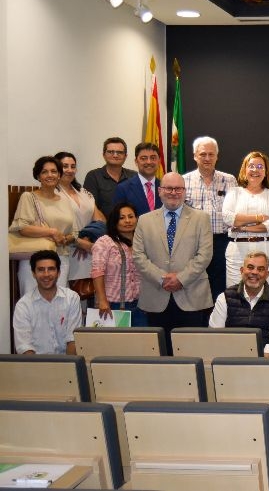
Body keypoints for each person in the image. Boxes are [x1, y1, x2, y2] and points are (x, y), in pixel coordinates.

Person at [133, 172, 214, 350]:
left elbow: (205, 255)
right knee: (159, 353)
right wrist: (162, 278)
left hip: (192, 296)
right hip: (156, 296)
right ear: (160, 191)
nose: (173, 192)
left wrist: (181, 278)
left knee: (192, 352)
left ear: (185, 191)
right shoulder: (144, 220)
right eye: (169, 188)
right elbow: (138, 255)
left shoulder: (201, 219)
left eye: (178, 188)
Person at [183, 136, 238, 301]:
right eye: (203, 154)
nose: (207, 158)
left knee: (220, 287)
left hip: (222, 241)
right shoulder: (184, 181)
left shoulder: (229, 180)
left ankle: (217, 324)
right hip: (193, 242)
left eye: (211, 154)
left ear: (217, 156)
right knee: (194, 285)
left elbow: (236, 212)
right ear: (195, 156)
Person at [9, 156, 75, 294]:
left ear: (59, 175)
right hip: (34, 260)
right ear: (38, 176)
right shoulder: (29, 197)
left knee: (59, 305)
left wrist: (66, 238)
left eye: (54, 171)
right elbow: (22, 227)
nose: (50, 175)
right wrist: (52, 232)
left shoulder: (65, 200)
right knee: (31, 304)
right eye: (44, 172)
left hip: (61, 259)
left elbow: (73, 231)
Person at [209, 250, 269, 355]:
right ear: (242, 270)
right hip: (231, 359)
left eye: (260, 269)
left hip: (266, 362)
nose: (254, 272)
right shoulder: (224, 298)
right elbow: (214, 336)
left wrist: (266, 355)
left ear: (267, 274)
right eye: (250, 267)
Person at [222, 151, 269, 288]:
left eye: (260, 167)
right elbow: (228, 218)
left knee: (267, 297)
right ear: (245, 170)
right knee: (235, 297)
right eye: (251, 166)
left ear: (266, 172)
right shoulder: (233, 192)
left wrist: (243, 227)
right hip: (237, 253)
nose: (256, 170)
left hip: (267, 251)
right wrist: (259, 218)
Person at [55, 151, 105, 302]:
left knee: (87, 301)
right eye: (65, 166)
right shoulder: (52, 193)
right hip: (64, 252)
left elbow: (101, 220)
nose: (69, 170)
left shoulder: (83, 192)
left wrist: (85, 237)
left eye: (73, 166)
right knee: (66, 300)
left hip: (87, 250)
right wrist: (76, 240)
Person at [13, 250, 82, 355]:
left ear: (58, 273)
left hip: (66, 364)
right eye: (41, 270)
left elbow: (73, 340)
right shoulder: (23, 305)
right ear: (33, 273)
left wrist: (68, 368)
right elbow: (25, 347)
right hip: (36, 365)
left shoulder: (72, 298)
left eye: (51, 269)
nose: (46, 274)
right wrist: (40, 370)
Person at [90, 203, 147, 327]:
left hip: (141, 305)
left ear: (137, 219)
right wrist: (102, 300)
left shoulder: (142, 242)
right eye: (122, 218)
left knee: (141, 344)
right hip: (112, 305)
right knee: (115, 345)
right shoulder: (105, 242)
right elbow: (97, 272)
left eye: (131, 216)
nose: (127, 221)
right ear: (114, 220)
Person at [83, 137, 136, 216]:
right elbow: (91, 207)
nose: (115, 155)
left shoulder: (134, 176)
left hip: (130, 225)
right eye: (111, 152)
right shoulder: (93, 176)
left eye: (119, 152)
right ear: (104, 155)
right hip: (102, 226)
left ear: (125, 156)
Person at [112, 142, 162, 216]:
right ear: (136, 162)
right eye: (143, 158)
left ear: (159, 161)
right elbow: (117, 220)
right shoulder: (123, 189)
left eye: (153, 158)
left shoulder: (166, 187)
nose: (149, 162)